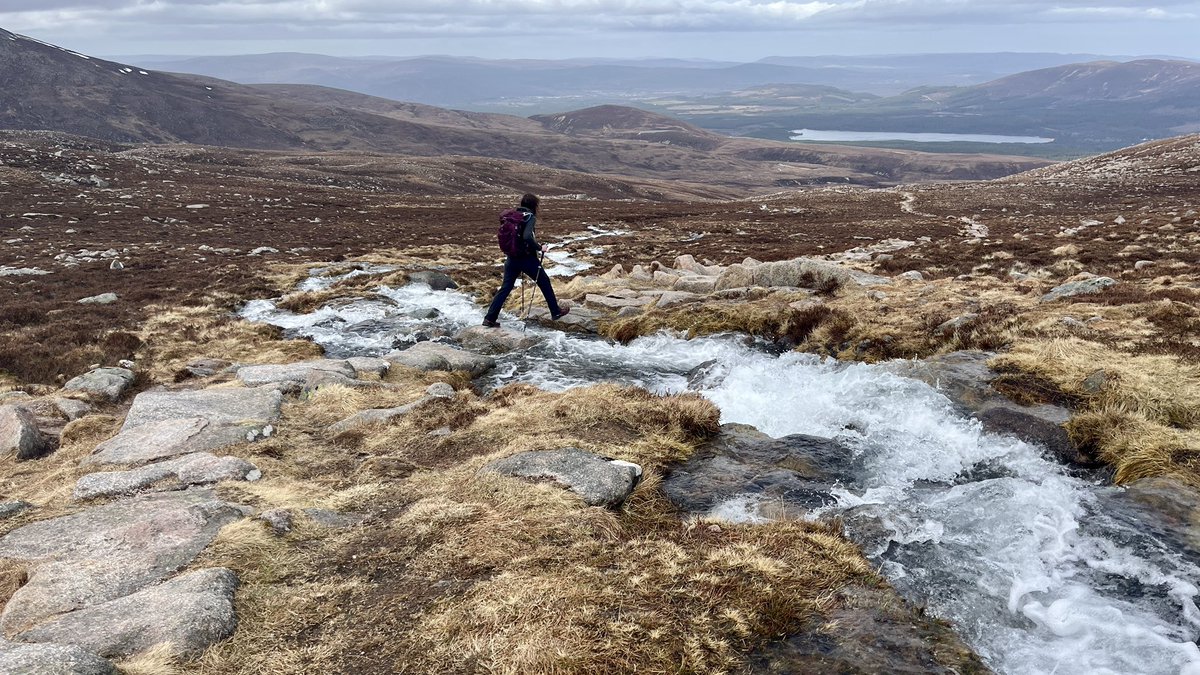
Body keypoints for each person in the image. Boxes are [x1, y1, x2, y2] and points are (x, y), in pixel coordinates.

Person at [482, 193, 570, 327]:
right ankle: (555, 311)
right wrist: (540, 247)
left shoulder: (513, 216)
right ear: (534, 205)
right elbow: (527, 236)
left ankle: (489, 318)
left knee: (505, 288)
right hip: (526, 258)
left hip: (511, 258)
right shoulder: (530, 217)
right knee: (544, 281)